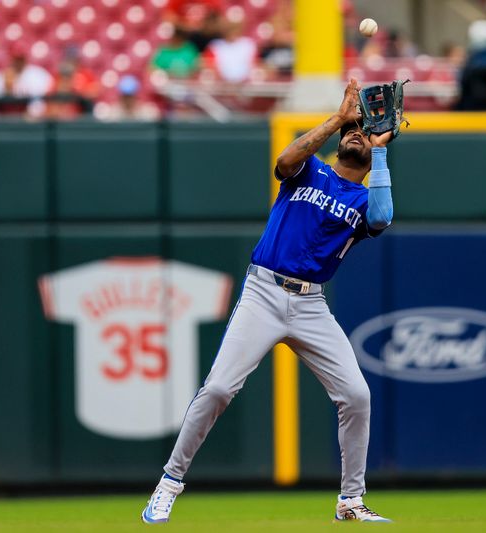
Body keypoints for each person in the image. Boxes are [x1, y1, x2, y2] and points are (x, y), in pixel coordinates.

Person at [141, 79, 396, 524]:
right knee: (219, 387)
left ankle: (351, 501)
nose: (357, 134)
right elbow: (283, 161)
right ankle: (169, 482)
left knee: (356, 395)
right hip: (263, 291)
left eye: (363, 131)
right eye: (351, 132)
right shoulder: (312, 169)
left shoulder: (363, 198)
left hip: (311, 304)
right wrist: (338, 117)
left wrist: (380, 150)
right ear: (338, 139)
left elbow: (382, 217)